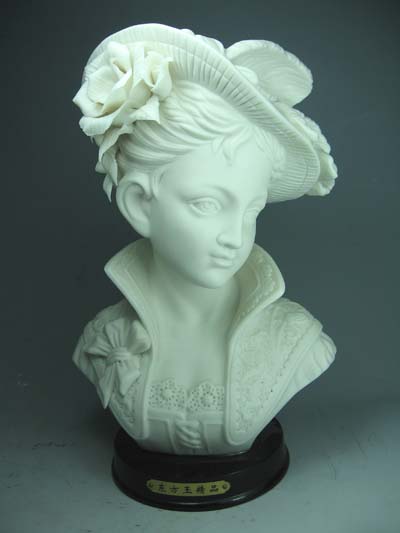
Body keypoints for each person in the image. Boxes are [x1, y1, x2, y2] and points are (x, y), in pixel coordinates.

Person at [72, 23, 337, 455]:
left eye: (251, 210)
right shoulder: (104, 339)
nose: (235, 237)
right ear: (140, 204)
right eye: (207, 205)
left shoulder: (297, 339)